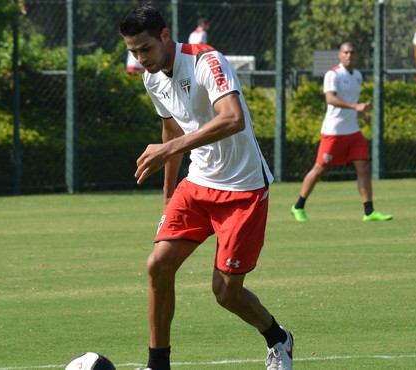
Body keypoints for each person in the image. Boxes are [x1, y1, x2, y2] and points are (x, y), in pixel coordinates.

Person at [119, 3, 293, 370]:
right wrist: (169, 195)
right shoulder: (152, 77)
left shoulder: (206, 61)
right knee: (158, 266)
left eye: (145, 48)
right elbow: (171, 128)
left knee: (225, 292)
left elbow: (232, 118)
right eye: (132, 51)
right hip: (196, 184)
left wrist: (170, 148)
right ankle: (157, 364)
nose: (140, 58)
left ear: (165, 36)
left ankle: (277, 338)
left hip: (242, 189)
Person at [290, 41, 392, 223]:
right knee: (319, 169)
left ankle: (369, 212)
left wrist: (361, 114)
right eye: (345, 52)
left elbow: (352, 101)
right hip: (333, 131)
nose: (349, 56)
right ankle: (298, 206)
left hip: (353, 131)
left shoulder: (358, 75)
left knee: (364, 167)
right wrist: (355, 106)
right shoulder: (333, 74)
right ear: (339, 55)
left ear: (357, 55)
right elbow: (330, 99)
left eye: (352, 52)